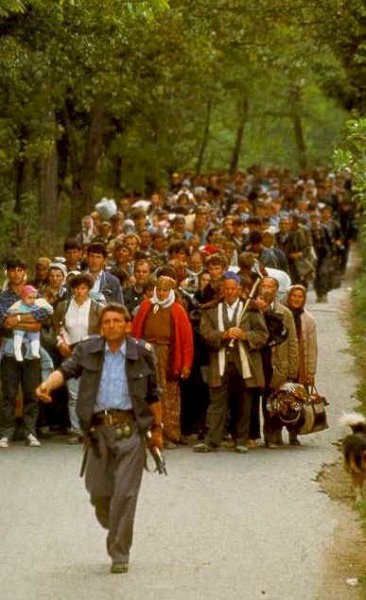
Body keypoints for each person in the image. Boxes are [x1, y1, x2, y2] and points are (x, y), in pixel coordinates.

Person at [36, 304, 162, 574]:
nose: (112, 325)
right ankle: (114, 523)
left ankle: (119, 553)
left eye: (118, 321)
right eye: (106, 322)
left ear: (128, 325)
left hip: (131, 431)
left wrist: (158, 432)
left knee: (125, 495)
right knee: (99, 493)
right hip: (97, 433)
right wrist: (47, 384)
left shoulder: (142, 353)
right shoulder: (87, 350)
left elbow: (154, 395)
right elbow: (66, 370)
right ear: (101, 326)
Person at [193, 271, 268, 453]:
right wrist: (223, 335)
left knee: (244, 402)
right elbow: (205, 333)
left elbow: (262, 335)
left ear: (239, 289)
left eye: (233, 288)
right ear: (222, 290)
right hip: (220, 363)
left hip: (245, 363)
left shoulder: (250, 310)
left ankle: (241, 440)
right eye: (226, 288)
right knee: (217, 402)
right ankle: (212, 440)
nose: (230, 292)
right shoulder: (211, 310)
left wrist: (245, 335)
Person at [132, 275, 194, 448]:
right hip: (146, 353)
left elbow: (186, 340)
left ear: (171, 291)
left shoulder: (177, 310)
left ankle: (169, 434)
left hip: (168, 355)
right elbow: (136, 331)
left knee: (168, 394)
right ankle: (146, 432)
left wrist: (186, 364)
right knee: (145, 393)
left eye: (165, 290)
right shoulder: (146, 306)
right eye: (158, 289)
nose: (161, 293)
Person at [0, 258, 50, 449]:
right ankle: (6, 432)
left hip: (32, 349)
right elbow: (4, 322)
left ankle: (30, 431)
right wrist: (24, 321)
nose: (16, 274)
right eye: (12, 270)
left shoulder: (34, 294)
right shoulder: (3, 296)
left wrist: (18, 318)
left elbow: (39, 320)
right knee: (9, 393)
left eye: (20, 270)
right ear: (8, 273)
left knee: (31, 391)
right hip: (10, 349)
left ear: (25, 273)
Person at [53, 273, 104, 444]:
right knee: (73, 394)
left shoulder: (97, 307)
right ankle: (77, 430)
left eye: (83, 288)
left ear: (89, 290)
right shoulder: (63, 306)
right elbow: (57, 328)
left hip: (91, 351)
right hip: (70, 352)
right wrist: (61, 343)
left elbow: (103, 331)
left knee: (93, 392)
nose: (79, 291)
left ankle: (93, 428)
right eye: (76, 288)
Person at [285, 284, 318, 445]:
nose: (296, 299)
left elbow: (312, 348)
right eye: (294, 296)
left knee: (297, 399)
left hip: (301, 366)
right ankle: (274, 432)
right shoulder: (282, 314)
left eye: (300, 297)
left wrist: (311, 372)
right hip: (284, 363)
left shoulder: (309, 320)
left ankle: (294, 432)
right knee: (281, 398)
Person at [7, 285, 53, 362]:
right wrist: (16, 315)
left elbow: (47, 307)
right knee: (18, 335)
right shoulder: (19, 304)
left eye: (34, 298)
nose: (32, 300)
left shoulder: (38, 303)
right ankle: (17, 351)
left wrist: (50, 310)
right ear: (23, 298)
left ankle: (35, 351)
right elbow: (10, 312)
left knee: (35, 335)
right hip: (20, 327)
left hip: (31, 327)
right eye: (29, 298)